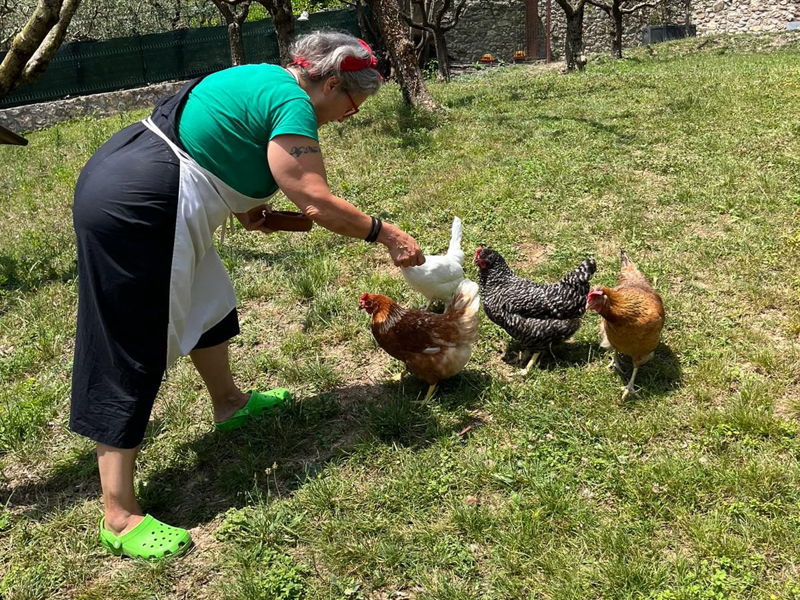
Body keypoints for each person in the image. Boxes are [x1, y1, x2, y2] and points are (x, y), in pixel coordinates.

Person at [70, 31, 425, 560]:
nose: (347, 117)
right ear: (332, 84)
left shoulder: (262, 78)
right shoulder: (294, 103)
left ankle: (229, 403)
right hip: (145, 205)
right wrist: (386, 233)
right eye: (353, 105)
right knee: (133, 343)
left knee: (207, 297)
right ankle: (119, 516)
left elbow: (215, 137)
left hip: (136, 176)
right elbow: (314, 200)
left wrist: (244, 206)